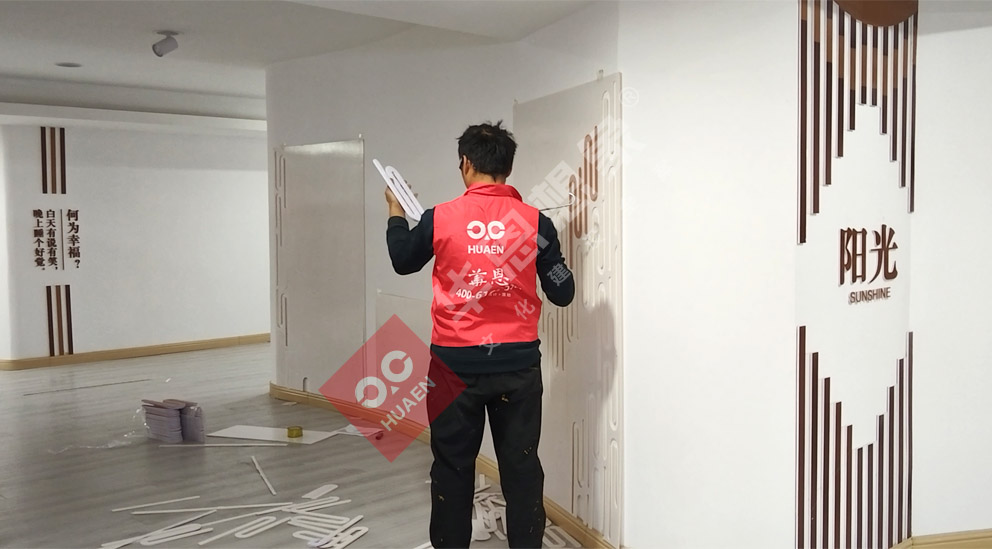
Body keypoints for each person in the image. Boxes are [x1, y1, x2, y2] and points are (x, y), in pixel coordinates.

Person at [384, 121, 574, 548]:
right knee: (521, 469)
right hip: (518, 368)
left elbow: (402, 260)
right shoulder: (537, 223)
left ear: (466, 163)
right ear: (508, 167)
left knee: (452, 469)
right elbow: (563, 292)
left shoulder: (439, 218)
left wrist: (395, 210)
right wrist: (553, 261)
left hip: (453, 367)